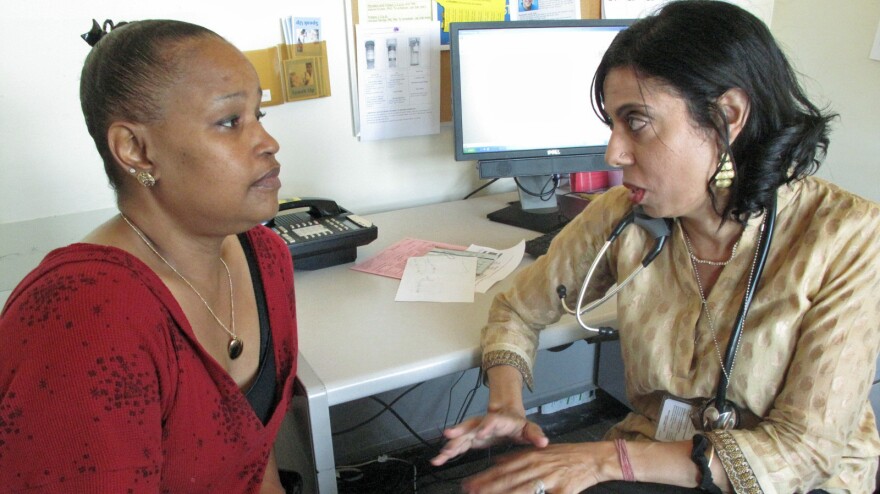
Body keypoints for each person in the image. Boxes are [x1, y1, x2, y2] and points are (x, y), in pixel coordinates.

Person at [431, 1, 880, 493]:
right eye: (612, 126)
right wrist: (506, 406)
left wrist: (603, 459)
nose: (613, 153)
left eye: (636, 122)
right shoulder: (625, 216)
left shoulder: (849, 235)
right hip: (649, 460)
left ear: (727, 116)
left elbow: (804, 451)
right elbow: (516, 310)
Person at [0, 19, 299, 494]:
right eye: (230, 121)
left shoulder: (265, 256)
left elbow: (255, 457)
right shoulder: (79, 317)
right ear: (135, 149)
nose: (268, 142)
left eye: (260, 116)